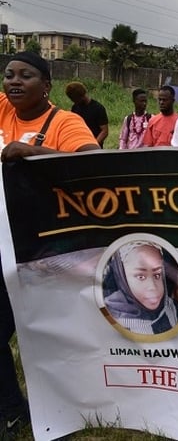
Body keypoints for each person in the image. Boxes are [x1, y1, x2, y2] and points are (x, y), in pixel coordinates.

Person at [1, 51, 99, 438]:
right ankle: (13, 410)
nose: (14, 82)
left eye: (26, 76)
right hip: (3, 241)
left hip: (43, 252)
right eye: (9, 75)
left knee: (53, 338)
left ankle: (55, 408)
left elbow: (95, 166)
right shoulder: (4, 109)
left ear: (47, 86)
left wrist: (35, 152)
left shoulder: (65, 122)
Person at [103, 241, 178, 334]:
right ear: (122, 277)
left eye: (157, 275)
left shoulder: (173, 309)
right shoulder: (107, 319)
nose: (152, 287)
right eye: (141, 277)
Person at [65, 81, 108, 147]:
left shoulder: (98, 108)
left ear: (81, 96)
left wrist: (94, 145)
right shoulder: (75, 108)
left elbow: (104, 131)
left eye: (74, 99)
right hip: (78, 146)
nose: (73, 101)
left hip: (93, 149)